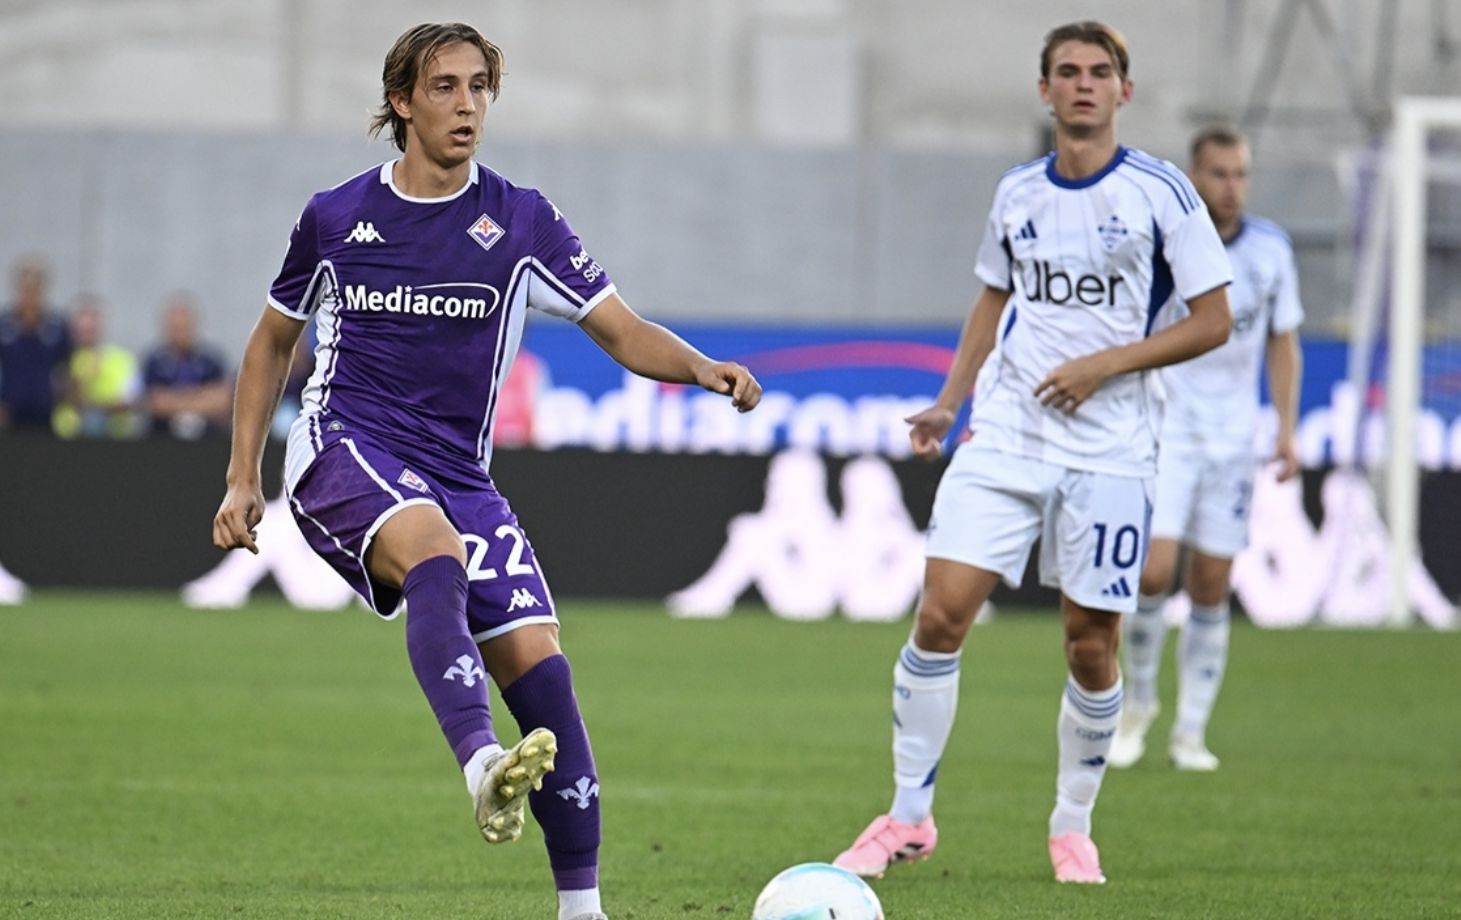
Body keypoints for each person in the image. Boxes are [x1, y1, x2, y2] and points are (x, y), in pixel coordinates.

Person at [209, 22, 760, 920]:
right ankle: (479, 766)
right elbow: (272, 341)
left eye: (478, 88)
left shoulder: (522, 219)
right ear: (401, 102)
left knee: (545, 677)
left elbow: (622, 330)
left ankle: (582, 911)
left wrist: (700, 368)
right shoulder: (335, 217)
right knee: (433, 551)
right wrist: (243, 477)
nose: (467, 106)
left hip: (460, 476)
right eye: (445, 87)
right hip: (344, 446)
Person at [832, 21, 1233, 885]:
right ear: (1044, 89)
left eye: (1099, 72)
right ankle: (907, 816)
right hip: (1007, 434)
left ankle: (1071, 825)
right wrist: (950, 402)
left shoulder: (1162, 192)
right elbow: (992, 299)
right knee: (939, 616)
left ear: (1123, 91)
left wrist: (1103, 365)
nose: (1084, 84)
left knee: (1089, 645)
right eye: (1067, 72)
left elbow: (1213, 321)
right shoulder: (1016, 193)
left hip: (1112, 451)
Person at [1112, 126, 1304, 772]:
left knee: (1211, 584)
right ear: (1194, 177)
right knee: (1151, 572)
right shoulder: (1167, 244)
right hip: (1166, 430)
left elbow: (1282, 341)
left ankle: (1190, 732)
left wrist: (1285, 428)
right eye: (1219, 173)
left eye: (1240, 174)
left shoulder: (1271, 251)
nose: (1231, 187)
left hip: (1232, 439)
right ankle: (1139, 704)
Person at [143, 294, 232, 438]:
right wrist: (200, 397)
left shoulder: (211, 361)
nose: (180, 334)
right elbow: (153, 402)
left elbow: (222, 401)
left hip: (208, 437)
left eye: (184, 328)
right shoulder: (154, 362)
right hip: (162, 437)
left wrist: (174, 399)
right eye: (175, 328)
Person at [54, 295, 143, 438]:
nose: (87, 334)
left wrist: (96, 405)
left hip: (115, 435)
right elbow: (61, 399)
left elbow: (132, 400)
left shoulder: (122, 360)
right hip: (72, 436)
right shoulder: (63, 359)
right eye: (82, 329)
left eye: (91, 329)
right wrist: (80, 382)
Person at [0, 257, 71, 432]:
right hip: (9, 412)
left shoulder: (57, 326)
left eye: (36, 283)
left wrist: (62, 399)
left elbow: (65, 368)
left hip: (46, 412)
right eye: (26, 284)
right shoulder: (4, 324)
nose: (31, 291)